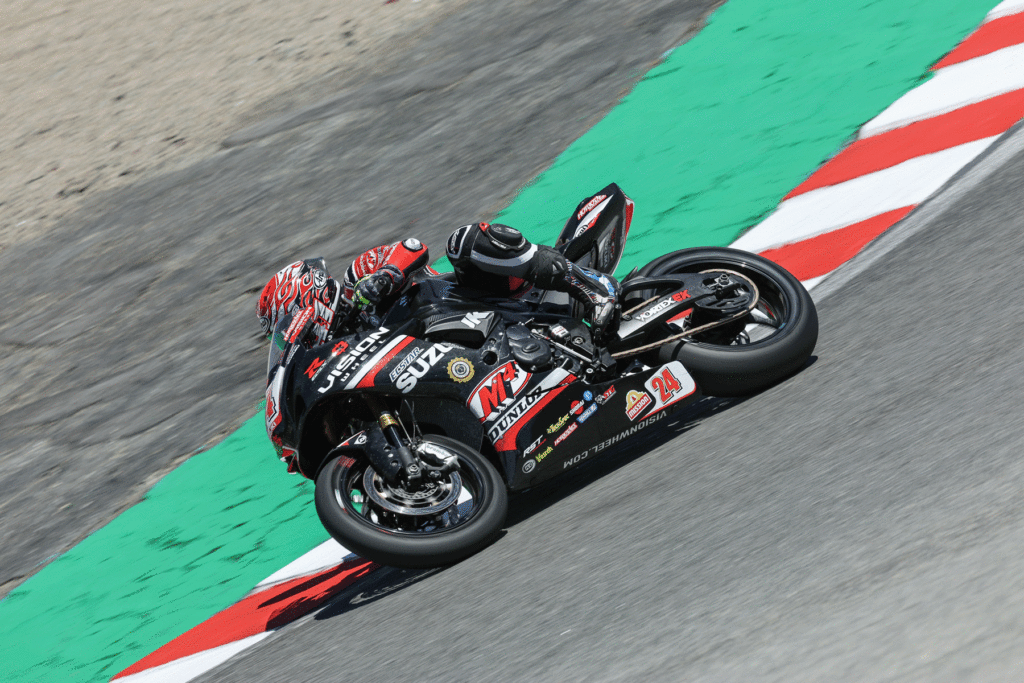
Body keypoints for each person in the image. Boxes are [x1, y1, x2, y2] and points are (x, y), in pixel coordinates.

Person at [256, 222, 620, 351]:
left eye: (286, 320)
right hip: (478, 355)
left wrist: (385, 278)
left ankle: (590, 289)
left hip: (479, 298)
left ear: (305, 293)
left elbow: (412, 248)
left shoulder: (357, 281)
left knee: (462, 242)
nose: (291, 331)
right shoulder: (340, 356)